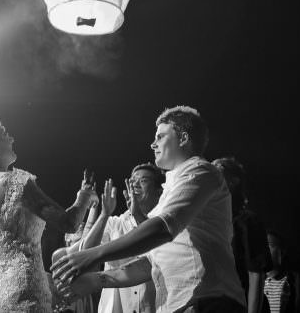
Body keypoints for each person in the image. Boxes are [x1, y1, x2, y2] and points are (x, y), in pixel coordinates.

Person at [53, 105, 246, 312]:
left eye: (161, 136)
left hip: (208, 300)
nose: (153, 144)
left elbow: (161, 229)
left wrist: (94, 255)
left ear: (183, 138)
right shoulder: (169, 192)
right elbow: (150, 263)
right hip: (179, 305)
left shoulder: (200, 171)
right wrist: (96, 280)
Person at [0, 112, 97, 312]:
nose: (12, 138)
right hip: (23, 297)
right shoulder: (15, 182)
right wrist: (85, 196)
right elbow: (69, 223)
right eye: (4, 133)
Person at [71, 163, 163, 313]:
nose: (135, 185)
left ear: (159, 192)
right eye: (132, 181)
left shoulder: (169, 223)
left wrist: (138, 216)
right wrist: (102, 212)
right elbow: (85, 251)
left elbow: (158, 246)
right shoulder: (115, 223)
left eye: (144, 180)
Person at [213, 157, 271, 313]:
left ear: (234, 181)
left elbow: (256, 274)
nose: (210, 179)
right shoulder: (210, 222)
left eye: (217, 173)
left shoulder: (247, 222)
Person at [262, 231, 300, 313]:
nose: (263, 252)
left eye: (269, 246)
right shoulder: (254, 282)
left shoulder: (294, 282)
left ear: (281, 252)